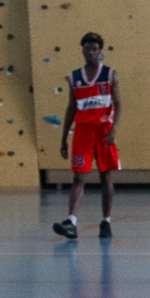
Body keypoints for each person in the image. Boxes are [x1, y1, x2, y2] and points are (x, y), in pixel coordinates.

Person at [53, 32, 121, 239]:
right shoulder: (74, 77)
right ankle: (71, 221)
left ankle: (106, 221)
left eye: (94, 49)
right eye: (87, 49)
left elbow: (118, 104)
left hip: (104, 130)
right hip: (83, 131)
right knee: (78, 176)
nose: (91, 52)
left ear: (100, 52)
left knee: (105, 176)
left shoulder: (110, 74)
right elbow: (71, 108)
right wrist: (64, 138)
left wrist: (114, 129)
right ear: (82, 51)